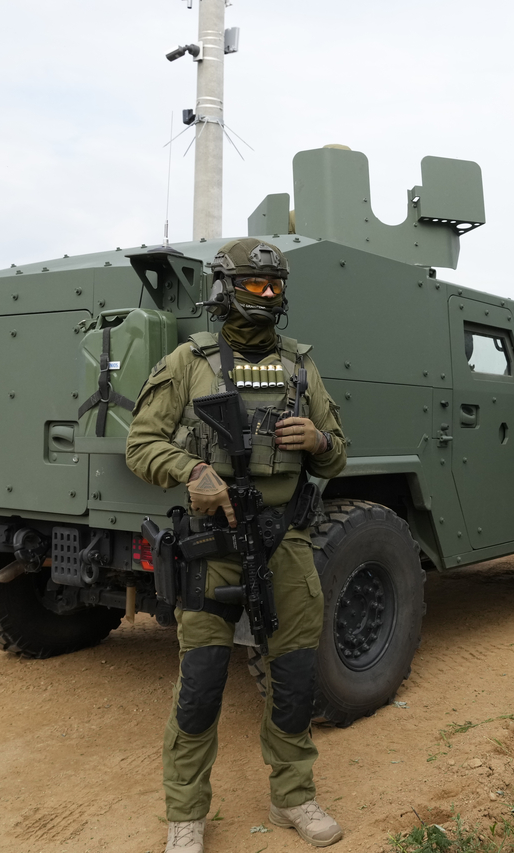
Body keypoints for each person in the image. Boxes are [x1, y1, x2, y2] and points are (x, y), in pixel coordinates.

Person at [126, 238, 348, 851]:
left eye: (276, 286)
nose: (268, 295)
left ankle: (293, 797)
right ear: (226, 289)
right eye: (256, 284)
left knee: (295, 678)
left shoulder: (301, 365)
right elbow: (140, 445)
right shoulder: (187, 361)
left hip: (286, 542)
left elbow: (337, 455)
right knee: (200, 685)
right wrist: (192, 470)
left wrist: (319, 443)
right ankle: (186, 814)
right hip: (212, 545)